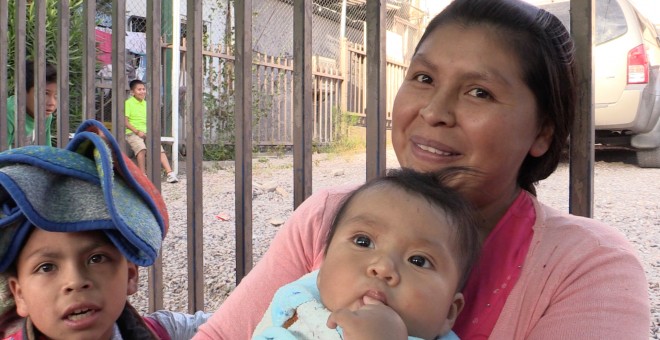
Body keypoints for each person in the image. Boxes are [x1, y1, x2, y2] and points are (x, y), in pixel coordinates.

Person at [195, 0, 651, 338]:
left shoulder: (586, 269)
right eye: (424, 78)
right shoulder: (327, 217)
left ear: (542, 133)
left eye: (479, 93)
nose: (434, 111)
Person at [0, 120, 208, 339]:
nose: (75, 281)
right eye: (46, 267)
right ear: (19, 294)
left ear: (130, 275)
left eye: (97, 258)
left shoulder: (166, 333)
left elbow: (241, 320)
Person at [252, 169, 480, 340]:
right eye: (363, 241)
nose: (383, 267)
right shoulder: (299, 309)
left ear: (449, 313)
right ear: (321, 273)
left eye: (418, 261)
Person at [124, 79, 178, 183]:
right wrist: (137, 131)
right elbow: (125, 122)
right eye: (139, 89)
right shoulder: (128, 103)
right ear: (132, 92)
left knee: (158, 147)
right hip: (132, 133)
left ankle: (170, 173)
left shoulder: (147, 104)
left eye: (143, 89)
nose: (142, 91)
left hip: (147, 132)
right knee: (141, 148)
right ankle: (143, 175)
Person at [5, 60, 57, 148]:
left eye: (57, 95)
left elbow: (45, 151)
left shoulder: (45, 115)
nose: (52, 103)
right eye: (44, 93)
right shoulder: (8, 114)